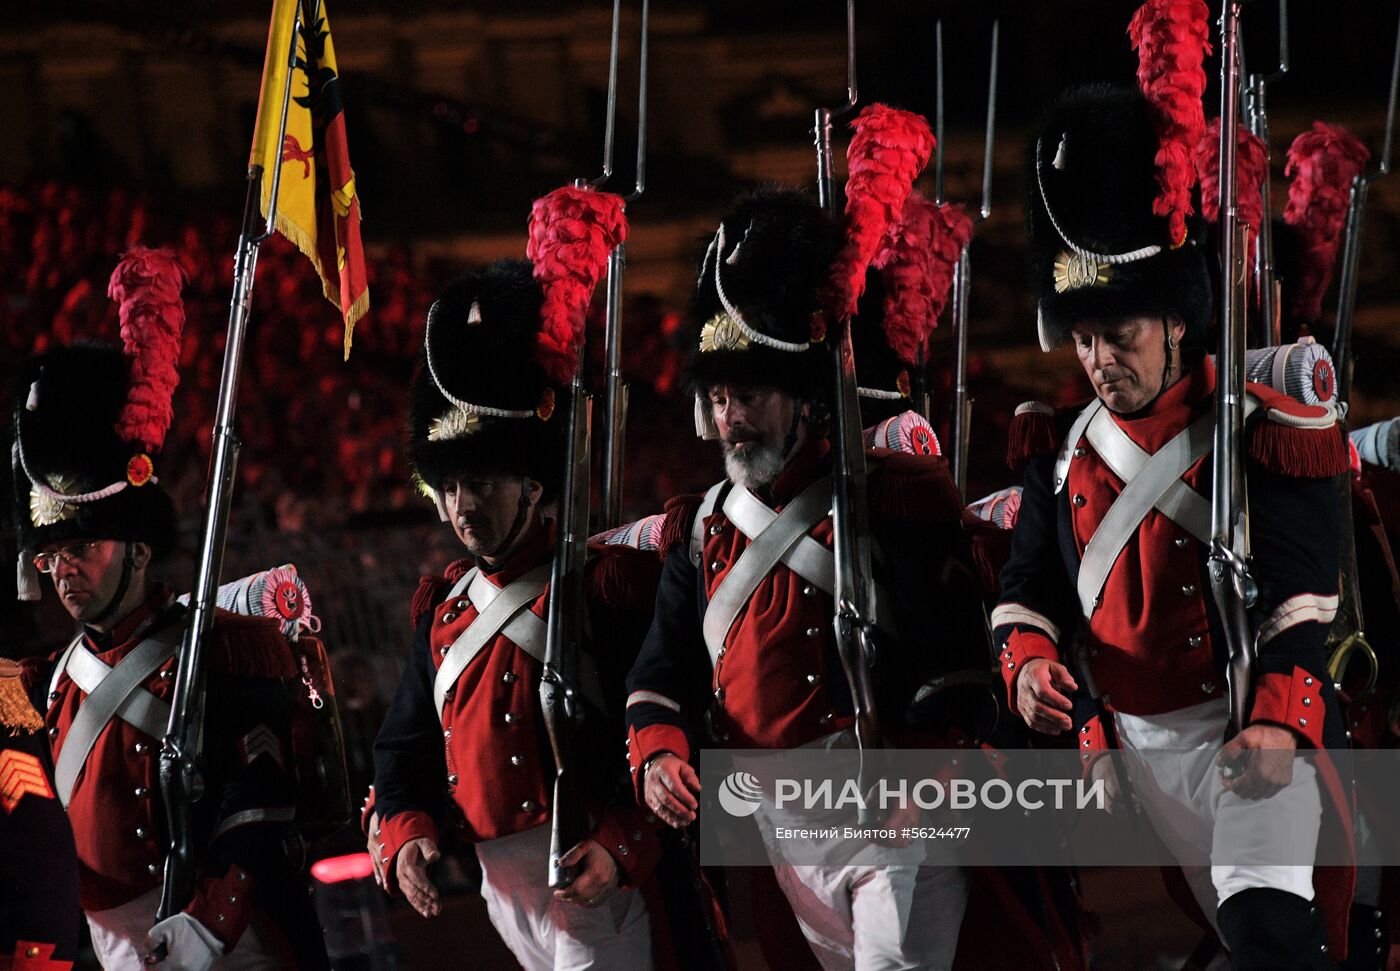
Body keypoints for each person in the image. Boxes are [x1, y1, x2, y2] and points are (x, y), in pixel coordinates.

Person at [994, 85, 1354, 968]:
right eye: (1083, 338)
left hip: (1249, 729)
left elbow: (1303, 599)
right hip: (1138, 757)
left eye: (1119, 333)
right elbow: (1028, 594)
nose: (1099, 361)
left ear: (1177, 318)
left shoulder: (1263, 431)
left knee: (1271, 933)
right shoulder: (1060, 451)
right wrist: (1030, 663)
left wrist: (1279, 715)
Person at [624, 188, 995, 970]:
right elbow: (662, 670)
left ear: (800, 395)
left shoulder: (883, 497)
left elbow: (950, 659)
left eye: (749, 395)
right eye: (720, 398)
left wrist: (927, 782)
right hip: (774, 832)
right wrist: (658, 750)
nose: (731, 419)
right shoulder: (703, 530)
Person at [364, 260, 723, 971]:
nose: (464, 506)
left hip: (598, 870)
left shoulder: (604, 589)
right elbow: (401, 749)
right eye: (453, 484)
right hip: (503, 890)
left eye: (484, 482)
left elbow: (670, 719)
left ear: (532, 483)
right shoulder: (443, 614)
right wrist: (405, 834)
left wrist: (624, 844)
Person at [4, 249, 327, 970]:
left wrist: (211, 921)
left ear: (140, 549)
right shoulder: (50, 684)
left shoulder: (223, 651)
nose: (63, 569)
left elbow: (263, 800)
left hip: (228, 941)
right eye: (51, 553)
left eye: (82, 546)